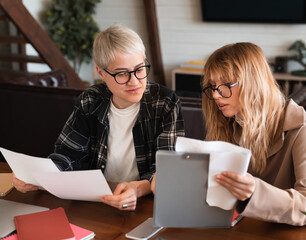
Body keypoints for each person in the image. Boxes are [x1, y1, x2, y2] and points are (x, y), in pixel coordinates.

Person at [11, 24, 185, 211]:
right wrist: (35, 176)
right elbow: (67, 155)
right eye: (121, 74)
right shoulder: (90, 100)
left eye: (139, 69)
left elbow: (167, 169)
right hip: (103, 200)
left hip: (148, 204)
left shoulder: (166, 102)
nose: (134, 81)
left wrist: (137, 188)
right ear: (101, 73)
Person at [200, 42, 306, 226]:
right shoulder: (224, 122)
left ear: (253, 82)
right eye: (213, 86)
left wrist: (255, 192)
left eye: (227, 84)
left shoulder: (300, 125)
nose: (215, 95)